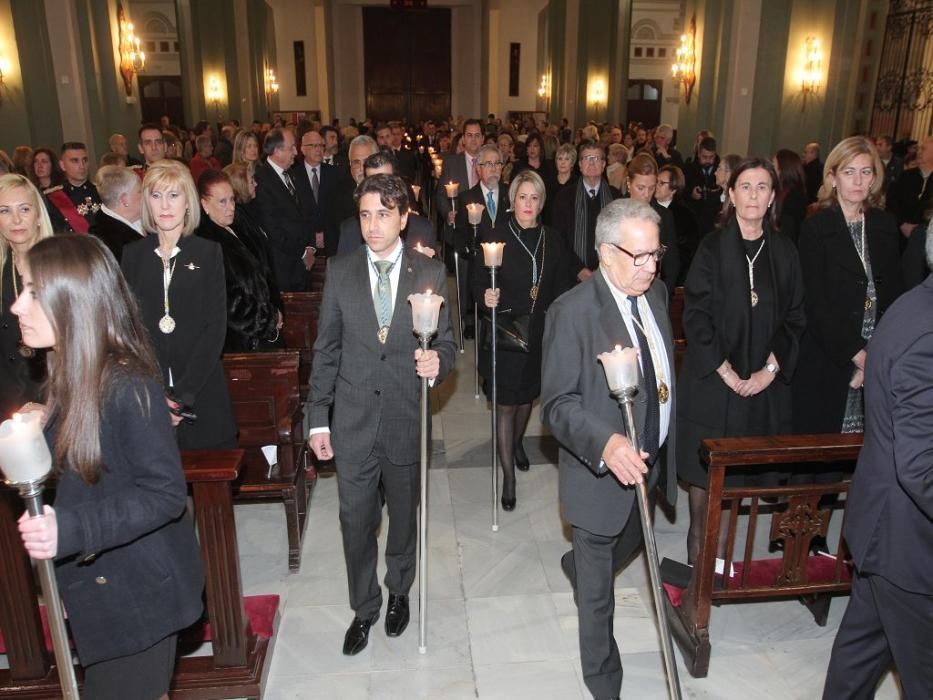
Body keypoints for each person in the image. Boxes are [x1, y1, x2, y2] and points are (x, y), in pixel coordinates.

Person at [14, 234, 204, 699]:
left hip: (138, 593)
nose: (17, 306)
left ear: (72, 300)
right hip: (105, 589)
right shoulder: (70, 375)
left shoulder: (127, 384)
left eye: (32, 292)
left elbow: (162, 493)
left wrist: (70, 531)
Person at [307, 174, 457, 656]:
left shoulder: (429, 273)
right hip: (351, 418)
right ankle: (364, 606)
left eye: (384, 215)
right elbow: (326, 349)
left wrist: (439, 364)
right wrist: (317, 418)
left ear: (403, 217)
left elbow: (449, 343)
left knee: (404, 516)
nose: (373, 226)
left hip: (402, 416)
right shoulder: (341, 271)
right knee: (355, 520)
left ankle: (398, 590)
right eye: (366, 215)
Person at [541, 198, 678, 700]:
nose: (650, 267)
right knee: (598, 599)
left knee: (631, 539)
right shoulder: (572, 312)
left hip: (651, 463)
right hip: (600, 473)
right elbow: (556, 405)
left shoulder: (656, 293)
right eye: (637, 256)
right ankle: (605, 684)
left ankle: (578, 563)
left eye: (655, 254)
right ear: (605, 252)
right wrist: (607, 442)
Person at [821, 229, 933, 699]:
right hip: (908, 545)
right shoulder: (926, 335)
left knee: (860, 656)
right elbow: (921, 465)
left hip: (885, 534)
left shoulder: (912, 305)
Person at [676, 158, 805, 564]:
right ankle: (698, 576)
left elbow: (797, 317)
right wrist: (725, 369)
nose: (753, 195)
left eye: (762, 187)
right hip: (713, 386)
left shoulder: (784, 251)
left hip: (759, 391)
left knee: (735, 492)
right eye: (745, 186)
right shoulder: (712, 247)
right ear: (730, 195)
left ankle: (719, 572)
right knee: (704, 493)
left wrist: (769, 372)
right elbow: (695, 313)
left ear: (772, 198)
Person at [471, 170, 573, 510]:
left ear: (541, 203)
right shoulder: (494, 236)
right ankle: (508, 476)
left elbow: (562, 287)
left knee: (527, 397)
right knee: (505, 404)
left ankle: (515, 443)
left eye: (534, 198)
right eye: (522, 197)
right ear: (511, 202)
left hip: (540, 333)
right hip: (504, 332)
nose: (528, 204)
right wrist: (485, 294)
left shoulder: (553, 240)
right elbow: (475, 279)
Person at [121, 160, 237, 450]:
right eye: (156, 195)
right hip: (150, 395)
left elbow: (215, 329)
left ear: (188, 202)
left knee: (211, 489)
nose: (165, 205)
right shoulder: (133, 256)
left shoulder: (208, 252)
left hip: (201, 390)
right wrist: (156, 391)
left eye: (174, 195)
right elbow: (129, 329)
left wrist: (182, 394)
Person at [794, 137, 904, 436]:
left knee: (870, 449)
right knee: (821, 456)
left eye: (866, 172)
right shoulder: (816, 227)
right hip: (830, 355)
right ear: (832, 177)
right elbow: (815, 302)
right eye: (849, 172)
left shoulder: (885, 224)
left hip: (877, 352)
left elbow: (895, 294)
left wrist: (876, 355)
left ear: (875, 178)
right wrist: (857, 355)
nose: (858, 180)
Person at [196, 169, 282, 352]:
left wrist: (275, 308)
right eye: (222, 201)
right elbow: (227, 301)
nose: (231, 207)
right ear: (204, 204)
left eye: (232, 199)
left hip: (264, 328)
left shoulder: (238, 223)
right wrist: (268, 321)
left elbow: (264, 268)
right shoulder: (205, 242)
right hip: (241, 341)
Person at [0, 174, 53, 418]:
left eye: (24, 209)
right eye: (5, 211)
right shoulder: (3, 268)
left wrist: (53, 405)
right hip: (9, 402)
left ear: (39, 215)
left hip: (56, 398)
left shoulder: (62, 265)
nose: (16, 219)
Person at [252, 127, 316, 292]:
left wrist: (310, 247)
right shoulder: (261, 180)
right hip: (283, 268)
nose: (296, 152)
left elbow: (306, 213)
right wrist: (302, 253)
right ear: (277, 150)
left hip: (303, 265)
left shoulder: (292, 174)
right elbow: (272, 229)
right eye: (292, 147)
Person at [552, 141, 621, 282]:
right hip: (571, 276)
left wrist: (605, 269)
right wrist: (578, 269)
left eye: (596, 159)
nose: (591, 163)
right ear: (580, 165)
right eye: (587, 158)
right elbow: (558, 239)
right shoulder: (564, 197)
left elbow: (622, 238)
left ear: (603, 165)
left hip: (610, 275)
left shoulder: (616, 198)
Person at [624, 153, 681, 294]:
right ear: (628, 183)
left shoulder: (664, 216)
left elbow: (672, 263)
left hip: (651, 291)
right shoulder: (615, 213)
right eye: (641, 188)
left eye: (651, 188)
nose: (646, 194)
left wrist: (663, 296)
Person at [90, 164, 145, 262]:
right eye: (140, 191)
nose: (145, 196)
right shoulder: (105, 244)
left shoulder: (146, 220)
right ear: (124, 200)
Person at [44, 142, 101, 234]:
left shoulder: (102, 191)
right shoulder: (51, 199)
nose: (82, 166)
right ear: (62, 165)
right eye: (75, 161)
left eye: (85, 160)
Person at [656, 164, 700, 284]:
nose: (656, 186)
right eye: (656, 181)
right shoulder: (649, 208)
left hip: (674, 277)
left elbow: (687, 252)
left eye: (661, 183)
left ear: (673, 189)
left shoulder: (685, 215)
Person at [683, 136, 721, 238]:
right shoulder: (689, 169)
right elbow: (681, 191)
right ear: (699, 154)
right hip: (695, 217)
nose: (708, 161)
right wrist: (691, 193)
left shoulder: (720, 170)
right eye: (704, 157)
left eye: (711, 157)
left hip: (713, 219)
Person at [774, 148, 809, 245]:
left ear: (782, 169)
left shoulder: (794, 196)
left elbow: (789, 230)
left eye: (774, 166)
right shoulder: (783, 191)